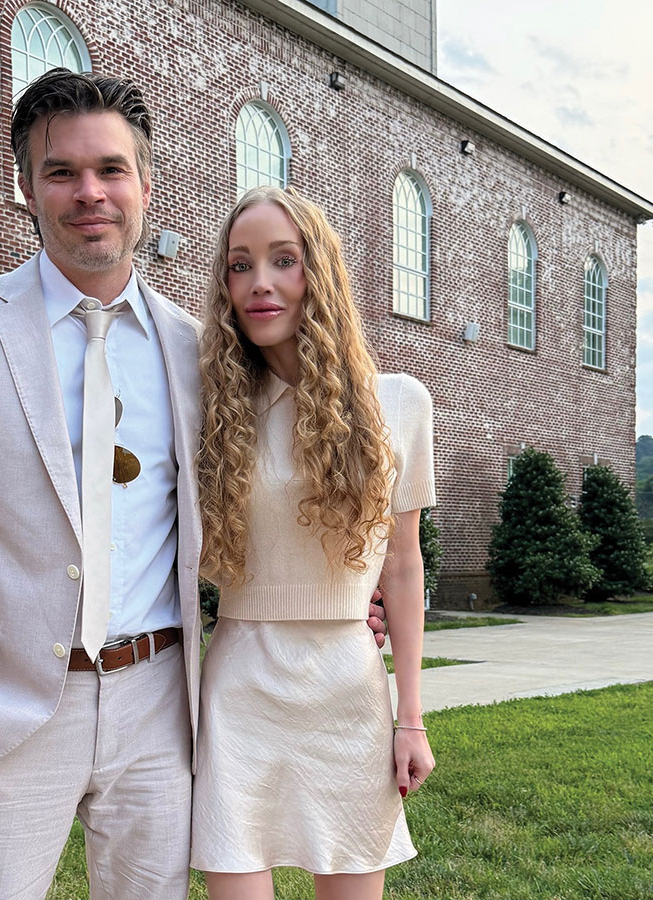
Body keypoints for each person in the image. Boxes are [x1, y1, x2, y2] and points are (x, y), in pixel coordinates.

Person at [0, 68, 388, 900]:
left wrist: (349, 588)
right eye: (60, 171)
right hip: (3, 709)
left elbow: (289, 470)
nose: (88, 193)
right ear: (25, 187)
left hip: (158, 706)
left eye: (110, 169)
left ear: (145, 184)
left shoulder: (199, 352)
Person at [191, 186, 436, 900]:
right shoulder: (211, 406)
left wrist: (410, 719)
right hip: (240, 683)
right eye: (240, 265)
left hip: (347, 687)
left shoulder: (400, 403)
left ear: (318, 272)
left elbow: (402, 563)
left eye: (283, 260)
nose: (259, 282)